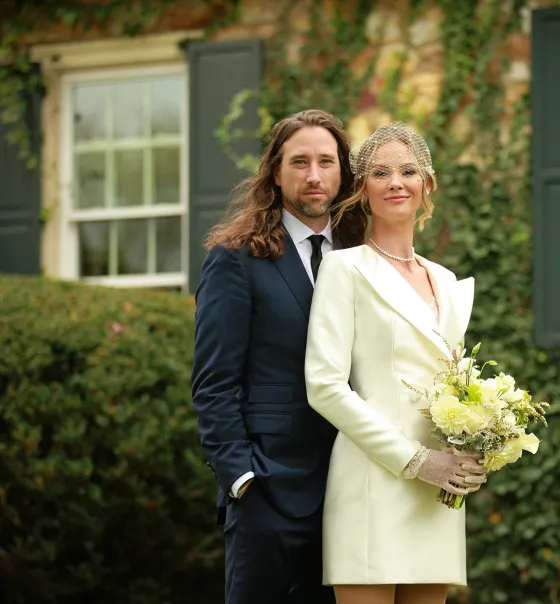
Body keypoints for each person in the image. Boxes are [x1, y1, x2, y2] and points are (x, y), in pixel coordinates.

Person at [304, 122, 487, 604]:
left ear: (428, 184)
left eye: (408, 171)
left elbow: (456, 388)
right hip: (373, 483)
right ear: (362, 189)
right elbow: (324, 386)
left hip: (440, 492)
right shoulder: (345, 269)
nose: (395, 182)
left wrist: (478, 447)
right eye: (380, 173)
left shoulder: (446, 281)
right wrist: (416, 460)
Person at [191, 109, 366, 604]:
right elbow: (213, 382)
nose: (314, 175)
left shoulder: (360, 256)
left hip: (349, 488)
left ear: (342, 173)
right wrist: (241, 478)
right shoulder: (236, 258)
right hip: (266, 489)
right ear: (275, 172)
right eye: (300, 162)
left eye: (326, 162)